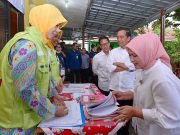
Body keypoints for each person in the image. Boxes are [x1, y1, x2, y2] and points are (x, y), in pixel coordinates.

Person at [0, 4, 69, 134]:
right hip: (16, 125)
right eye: (56, 25)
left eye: (59, 27)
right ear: (44, 20)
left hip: (29, 119)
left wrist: (54, 96)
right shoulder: (27, 45)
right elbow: (25, 89)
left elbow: (41, 79)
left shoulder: (40, 46)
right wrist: (53, 110)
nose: (58, 31)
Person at [113, 33, 180, 135]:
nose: (131, 60)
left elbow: (170, 116)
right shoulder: (143, 68)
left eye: (134, 55)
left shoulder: (162, 79)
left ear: (147, 52)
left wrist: (136, 112)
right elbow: (146, 92)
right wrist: (127, 94)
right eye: (129, 55)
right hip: (144, 129)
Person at [106, 28, 136, 135]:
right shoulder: (113, 51)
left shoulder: (134, 51)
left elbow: (133, 66)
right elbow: (109, 67)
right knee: (113, 118)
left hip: (128, 92)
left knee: (124, 122)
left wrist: (118, 64)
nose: (119, 39)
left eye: (121, 37)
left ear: (128, 38)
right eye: (117, 37)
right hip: (114, 89)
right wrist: (126, 67)